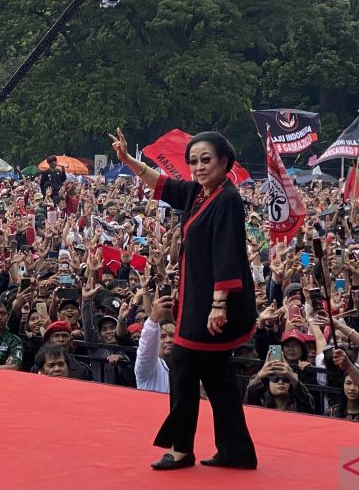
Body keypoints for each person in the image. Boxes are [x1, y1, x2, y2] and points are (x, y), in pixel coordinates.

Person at [110, 128, 258, 470]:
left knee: (182, 364)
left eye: (206, 160)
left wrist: (219, 304)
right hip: (197, 301)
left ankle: (181, 448)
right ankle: (236, 450)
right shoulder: (198, 193)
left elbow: (227, 254)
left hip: (214, 306)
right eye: (193, 161)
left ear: (224, 161)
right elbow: (161, 184)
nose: (199, 167)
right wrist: (128, 160)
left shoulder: (228, 200)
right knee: (217, 378)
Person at [135, 294, 174, 393]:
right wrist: (153, 319)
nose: (169, 340)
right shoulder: (146, 368)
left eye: (172, 335)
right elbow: (146, 348)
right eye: (162, 336)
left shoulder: (186, 365)